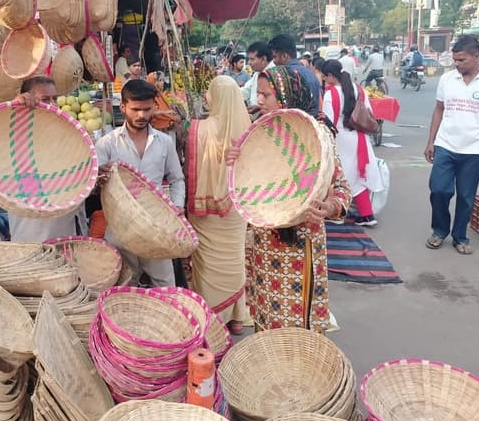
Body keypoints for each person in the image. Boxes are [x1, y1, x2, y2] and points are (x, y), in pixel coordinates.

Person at [225, 67, 352, 333]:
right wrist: (237, 161)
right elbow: (251, 185)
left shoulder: (316, 135)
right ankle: (269, 354)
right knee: (265, 313)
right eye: (259, 93)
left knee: (297, 321)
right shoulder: (259, 133)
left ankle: (298, 357)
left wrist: (329, 207)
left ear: (286, 96)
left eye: (266, 95)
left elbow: (341, 188)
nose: (259, 100)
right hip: (264, 242)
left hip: (299, 247)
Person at [96, 79, 185, 286]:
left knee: (165, 285)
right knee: (123, 287)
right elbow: (94, 185)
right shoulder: (107, 144)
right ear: (123, 107)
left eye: (147, 109)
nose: (142, 115)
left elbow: (176, 179)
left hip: (156, 229)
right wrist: (98, 177)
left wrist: (177, 206)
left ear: (154, 106)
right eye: (136, 109)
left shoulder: (164, 142)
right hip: (120, 229)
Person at [424, 35, 479, 255]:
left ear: (476, 56)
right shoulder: (447, 79)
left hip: (474, 149)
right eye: (455, 60)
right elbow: (439, 109)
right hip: (445, 145)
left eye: (462, 60)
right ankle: (439, 230)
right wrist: (431, 141)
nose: (457, 64)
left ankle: (460, 237)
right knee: (439, 190)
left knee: (466, 196)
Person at [187, 76, 252, 335]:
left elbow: (188, 164)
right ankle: (236, 317)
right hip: (236, 205)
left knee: (207, 263)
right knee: (235, 258)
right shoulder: (250, 130)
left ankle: (211, 318)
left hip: (206, 210)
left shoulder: (198, 129)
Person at [9, 76, 88, 242]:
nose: (53, 104)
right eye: (45, 99)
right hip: (33, 237)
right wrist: (16, 108)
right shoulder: (17, 138)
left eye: (55, 99)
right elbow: (30, 189)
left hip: (68, 232)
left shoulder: (65, 134)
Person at [322, 60, 383, 227]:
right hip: (360, 137)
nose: (324, 80)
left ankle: (338, 214)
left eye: (325, 77)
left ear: (331, 76)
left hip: (340, 139)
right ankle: (367, 215)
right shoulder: (359, 90)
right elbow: (369, 112)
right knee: (357, 177)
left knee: (339, 178)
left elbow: (327, 122)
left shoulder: (331, 94)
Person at [267, 33, 321, 110]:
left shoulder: (285, 77)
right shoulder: (311, 74)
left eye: (274, 57)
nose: (274, 61)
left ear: (284, 56)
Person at [241, 41, 273, 114]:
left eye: (252, 59)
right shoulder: (257, 73)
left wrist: (259, 107)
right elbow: (246, 90)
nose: (249, 63)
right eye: (249, 59)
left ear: (263, 59)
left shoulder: (273, 75)